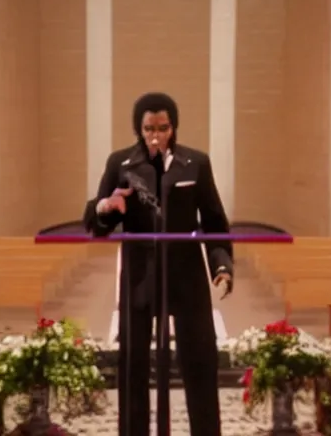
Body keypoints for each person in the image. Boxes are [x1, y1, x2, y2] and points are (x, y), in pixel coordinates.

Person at [83, 92, 233, 436]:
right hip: (140, 276)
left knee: (200, 361)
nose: (155, 135)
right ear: (139, 128)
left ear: (173, 128)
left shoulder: (196, 163)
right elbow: (96, 224)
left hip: (186, 276)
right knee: (133, 366)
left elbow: (213, 220)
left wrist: (221, 264)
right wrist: (106, 207)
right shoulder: (120, 164)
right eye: (149, 128)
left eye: (162, 128)